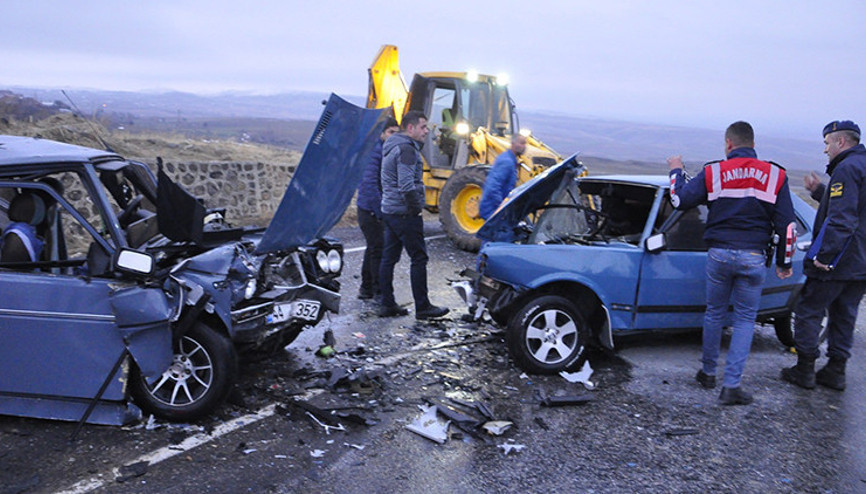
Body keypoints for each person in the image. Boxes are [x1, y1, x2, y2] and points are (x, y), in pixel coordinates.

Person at [667, 121, 796, 405]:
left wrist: (676, 169)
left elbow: (678, 200)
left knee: (714, 313)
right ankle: (731, 387)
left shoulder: (714, 172)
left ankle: (707, 373)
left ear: (728, 144)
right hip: (753, 257)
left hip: (719, 254)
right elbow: (787, 226)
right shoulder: (776, 175)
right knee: (745, 319)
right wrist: (784, 262)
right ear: (753, 144)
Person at [782, 120, 866, 391]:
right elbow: (857, 208)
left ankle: (804, 369)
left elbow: (843, 220)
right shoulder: (861, 167)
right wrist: (820, 192)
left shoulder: (847, 169)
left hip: (839, 260)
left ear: (841, 142)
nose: (825, 150)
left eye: (827, 143)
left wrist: (825, 257)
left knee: (809, 310)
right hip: (861, 263)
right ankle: (836, 371)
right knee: (845, 314)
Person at [378, 110, 450, 320]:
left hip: (390, 210)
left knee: (389, 258)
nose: (427, 131)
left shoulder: (391, 146)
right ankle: (423, 307)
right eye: (423, 127)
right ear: (410, 128)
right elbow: (406, 185)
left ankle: (387, 304)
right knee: (419, 258)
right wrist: (415, 209)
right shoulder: (407, 149)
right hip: (404, 213)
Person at [355, 117, 400, 300]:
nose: (393, 136)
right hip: (370, 210)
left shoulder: (386, 150)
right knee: (379, 250)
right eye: (390, 132)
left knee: (373, 248)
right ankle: (379, 292)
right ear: (382, 133)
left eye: (397, 133)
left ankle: (366, 288)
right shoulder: (375, 152)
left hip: (373, 209)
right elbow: (369, 185)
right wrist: (382, 211)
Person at [478, 134, 528, 220]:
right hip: (493, 211)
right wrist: (502, 207)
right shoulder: (507, 162)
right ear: (513, 143)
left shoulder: (510, 160)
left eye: (525, 144)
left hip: (495, 210)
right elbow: (493, 186)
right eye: (521, 143)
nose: (524, 146)